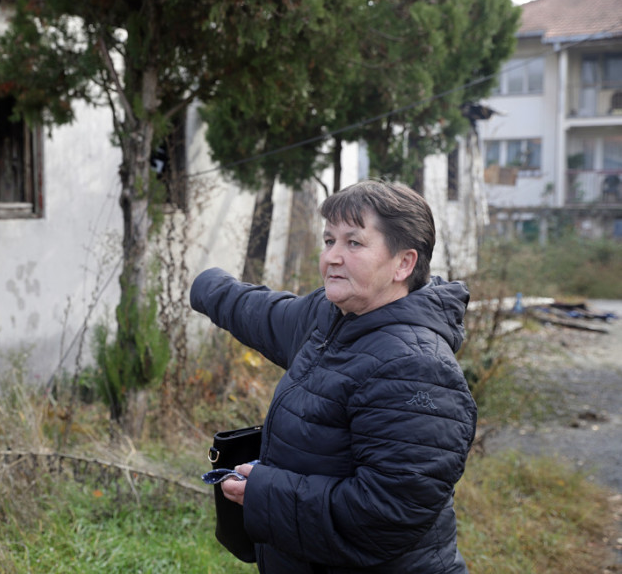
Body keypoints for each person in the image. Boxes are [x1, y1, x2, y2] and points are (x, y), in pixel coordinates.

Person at [190, 179, 476, 573]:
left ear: (404, 263)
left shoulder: (417, 369)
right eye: (329, 241)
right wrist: (207, 285)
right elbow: (264, 313)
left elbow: (385, 515)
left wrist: (264, 491)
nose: (332, 258)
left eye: (353, 243)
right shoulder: (333, 318)